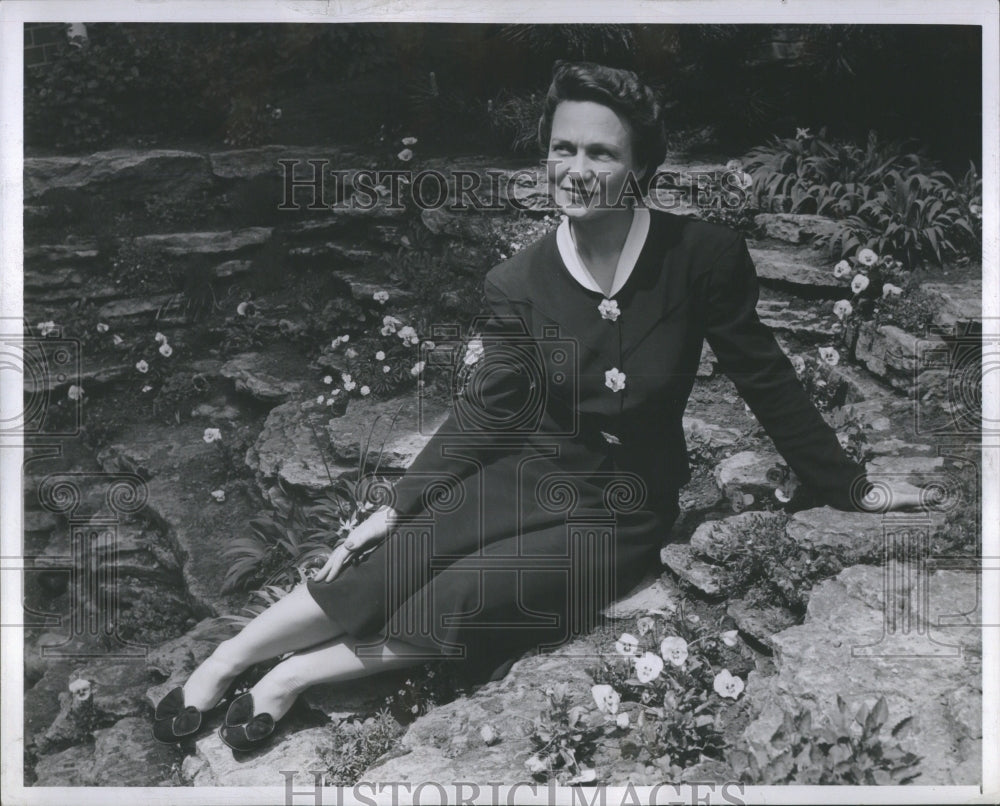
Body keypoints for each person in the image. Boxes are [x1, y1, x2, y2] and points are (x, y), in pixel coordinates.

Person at [153, 60, 925, 751]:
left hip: (622, 509)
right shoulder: (516, 281)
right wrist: (394, 507)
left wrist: (850, 486)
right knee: (394, 565)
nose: (577, 168)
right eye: (563, 148)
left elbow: (767, 377)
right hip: (524, 474)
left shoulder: (701, 257)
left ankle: (297, 677)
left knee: (474, 596)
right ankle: (227, 661)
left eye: (601, 152)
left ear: (640, 165)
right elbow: (489, 410)